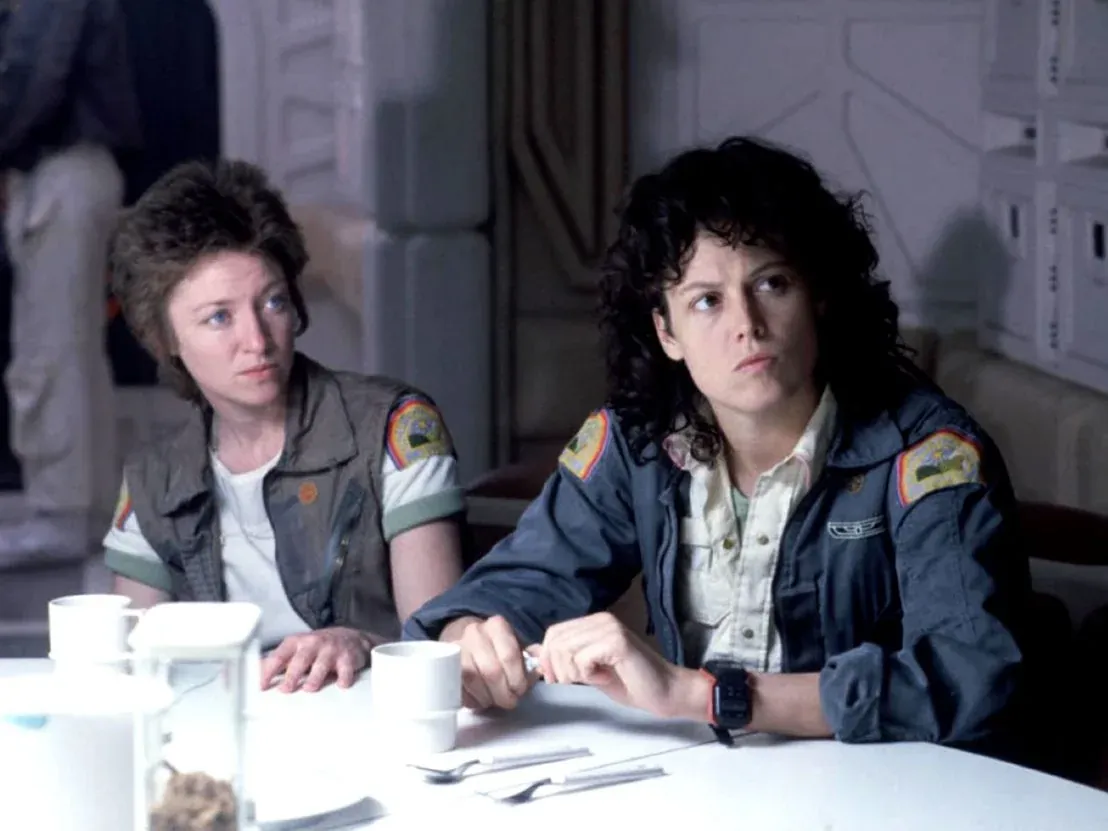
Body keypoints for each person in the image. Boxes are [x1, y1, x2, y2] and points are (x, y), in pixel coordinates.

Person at [405, 136, 1032, 754]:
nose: (746, 326)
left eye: (772, 284)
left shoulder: (924, 452)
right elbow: (523, 579)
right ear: (667, 332)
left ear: (818, 296)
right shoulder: (637, 442)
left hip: (899, 790)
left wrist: (703, 695)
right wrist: (467, 634)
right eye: (707, 301)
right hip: (708, 784)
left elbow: (970, 676)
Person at [104, 159, 466, 693]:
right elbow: (128, 667)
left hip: (369, 717)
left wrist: (360, 642)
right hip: (224, 725)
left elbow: (442, 650)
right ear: (166, 340)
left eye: (272, 301)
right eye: (219, 317)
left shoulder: (393, 428)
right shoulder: (155, 478)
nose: (257, 340)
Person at [0, 0, 142, 564]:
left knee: (51, 347)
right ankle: (83, 508)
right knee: (72, 349)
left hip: (62, 170)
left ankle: (62, 512)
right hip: (60, 170)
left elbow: (35, 72)